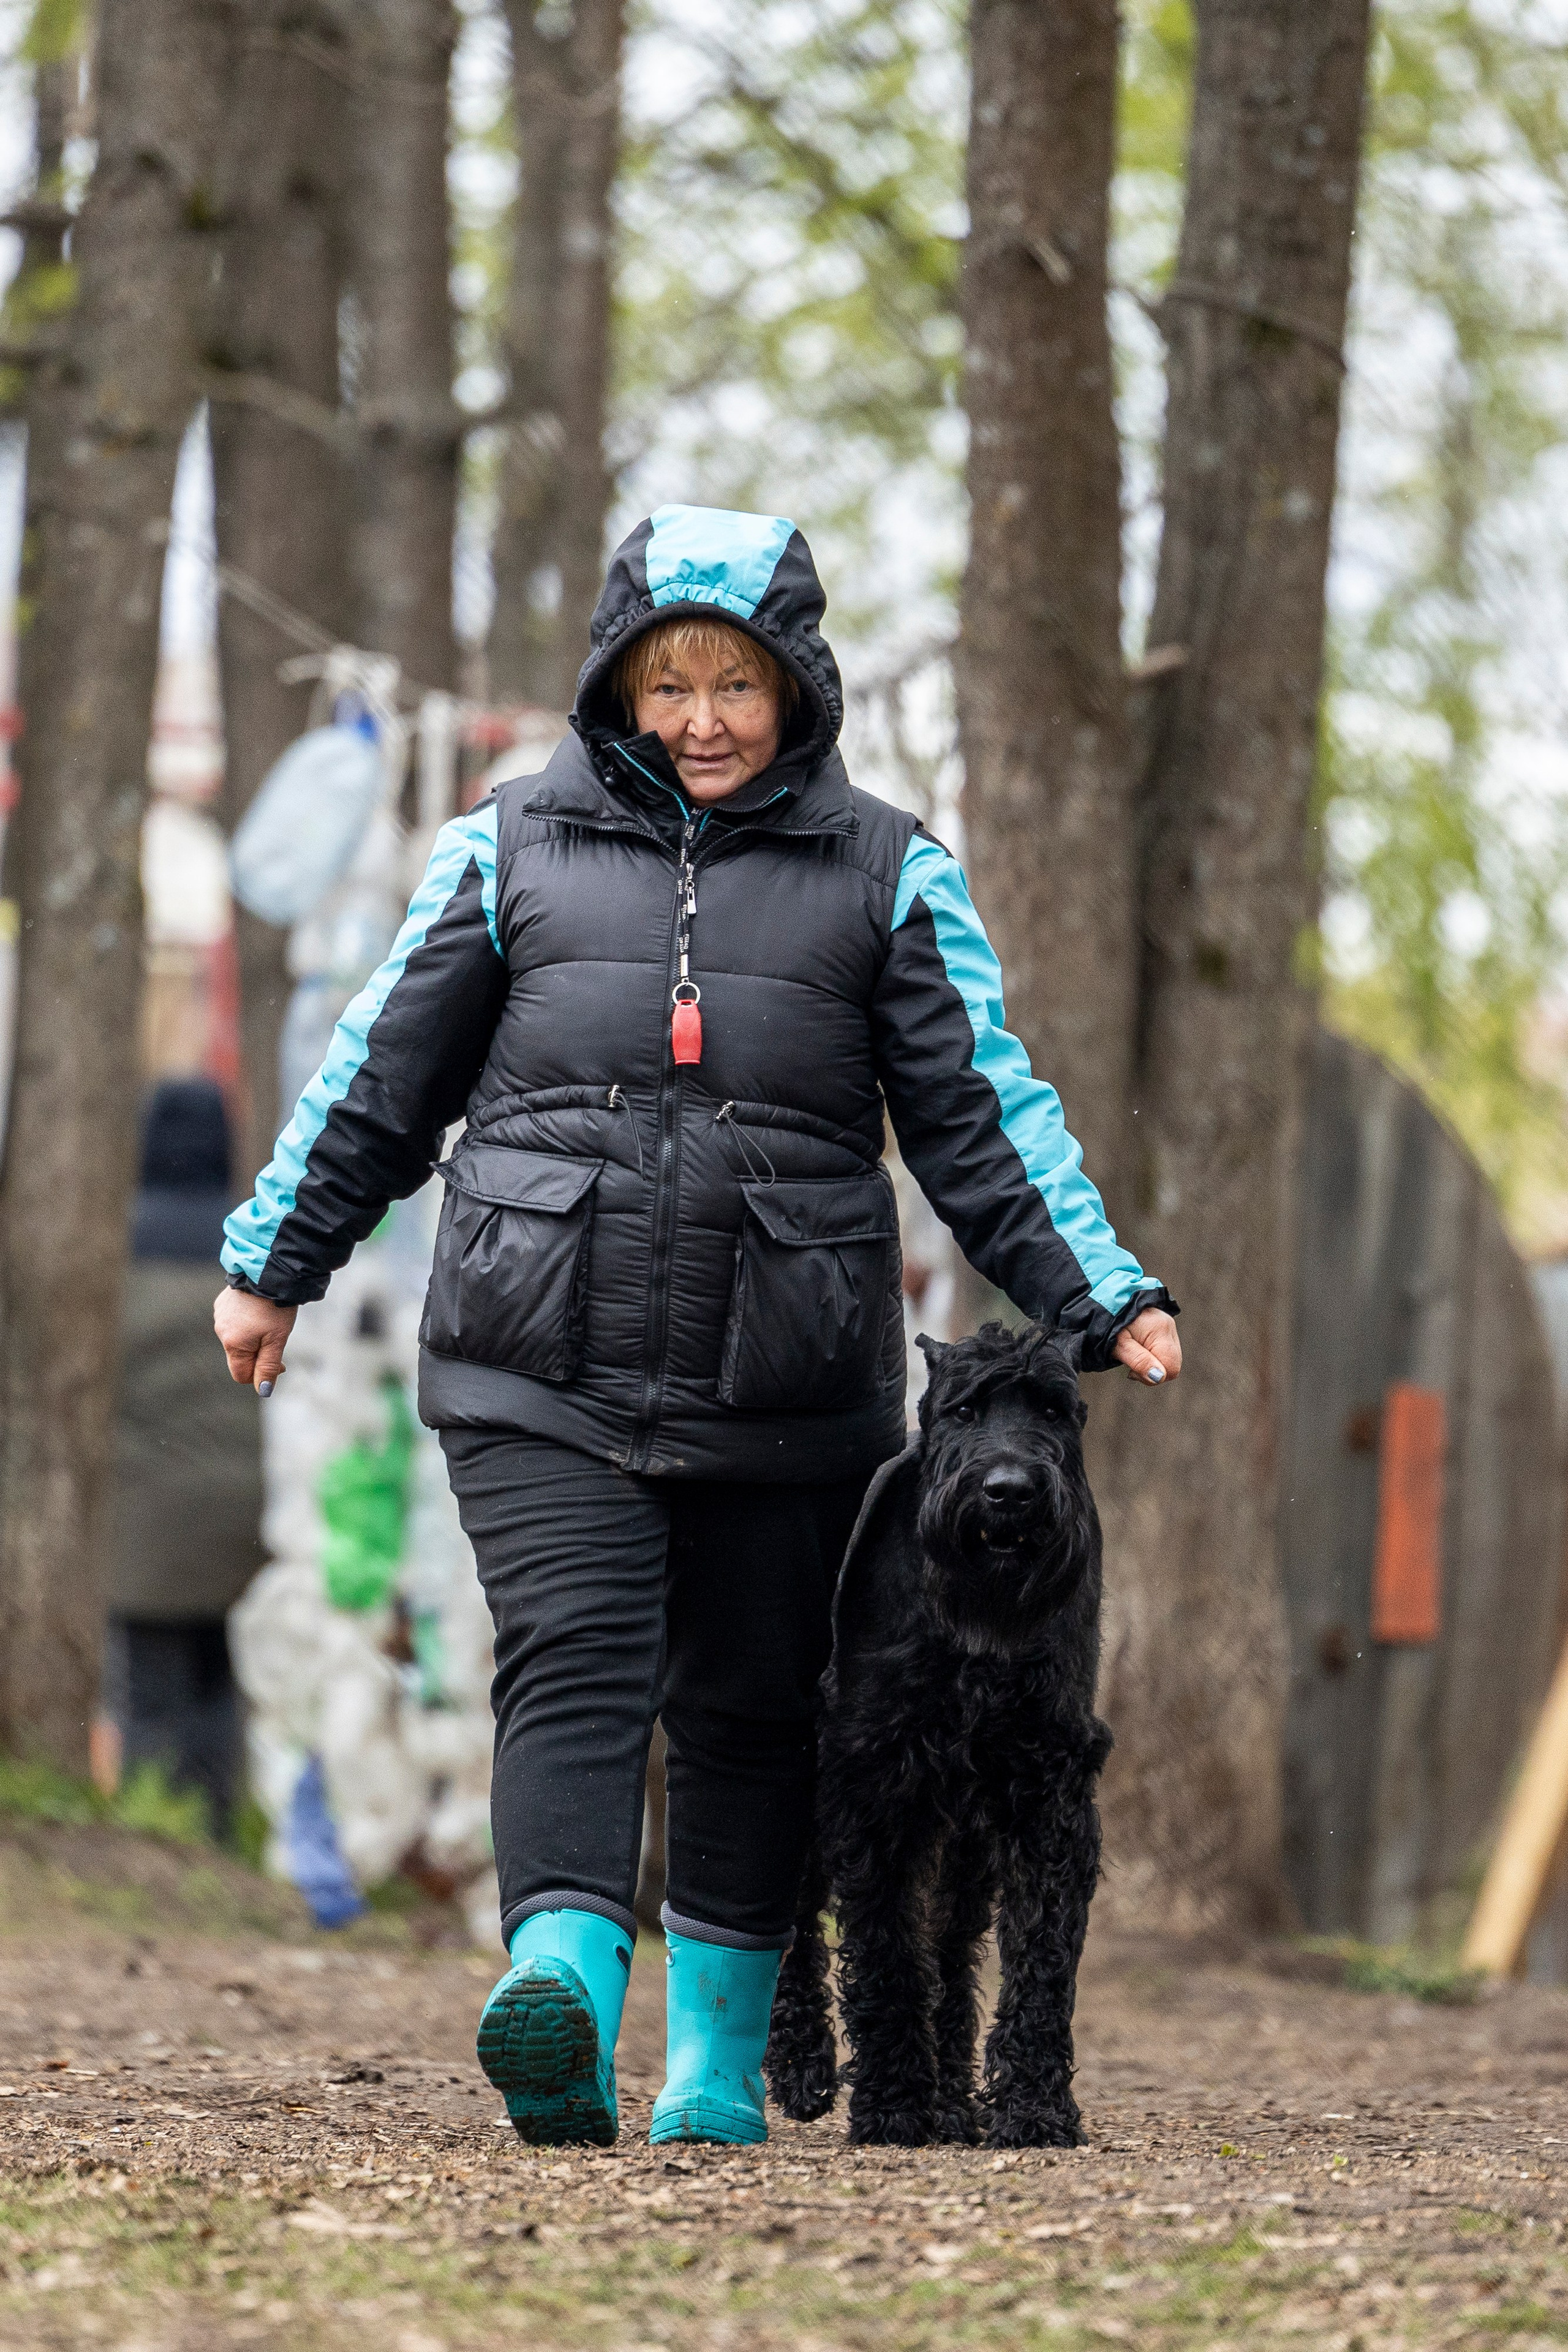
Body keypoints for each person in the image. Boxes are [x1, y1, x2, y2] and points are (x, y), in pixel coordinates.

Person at [214, 503, 1181, 2150]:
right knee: (576, 1663)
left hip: (787, 1374)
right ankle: (568, 2004)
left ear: (796, 689)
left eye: (738, 685)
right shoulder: (501, 846)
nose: (705, 721)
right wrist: (276, 1256)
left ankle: (717, 2072)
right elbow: (378, 1078)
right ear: (618, 687)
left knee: (748, 1699)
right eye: (670, 685)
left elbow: (983, 1118)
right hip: (537, 1350)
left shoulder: (891, 875)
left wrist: (1102, 1291)